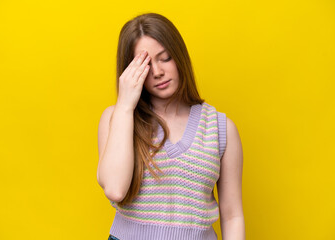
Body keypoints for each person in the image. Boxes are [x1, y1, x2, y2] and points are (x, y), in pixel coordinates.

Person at [97, 12, 245, 240]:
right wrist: (125, 106)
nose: (157, 72)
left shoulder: (220, 128)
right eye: (145, 65)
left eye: (165, 58)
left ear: (179, 56)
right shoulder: (116, 118)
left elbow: (232, 215)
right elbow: (115, 189)